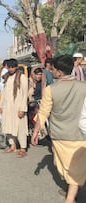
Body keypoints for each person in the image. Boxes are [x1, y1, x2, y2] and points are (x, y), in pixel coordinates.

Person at [32, 55, 86, 203]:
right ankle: (73, 189)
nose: (52, 71)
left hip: (60, 134)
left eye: (54, 69)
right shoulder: (84, 87)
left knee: (64, 166)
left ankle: (70, 198)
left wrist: (35, 132)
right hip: (80, 135)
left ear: (60, 72)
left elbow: (43, 113)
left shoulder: (50, 90)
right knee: (77, 167)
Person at [0, 58, 28, 158]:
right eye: (9, 67)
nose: (10, 69)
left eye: (12, 67)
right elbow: (4, 93)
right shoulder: (7, 77)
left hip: (18, 107)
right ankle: (13, 145)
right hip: (8, 107)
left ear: (16, 67)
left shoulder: (22, 77)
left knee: (20, 128)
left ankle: (23, 148)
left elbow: (25, 94)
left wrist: (23, 109)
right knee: (8, 127)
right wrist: (1, 105)